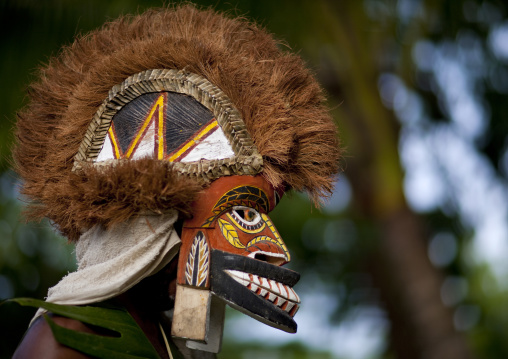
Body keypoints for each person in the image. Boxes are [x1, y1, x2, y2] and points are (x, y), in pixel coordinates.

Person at [12, 4, 340, 358]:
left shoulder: (163, 340)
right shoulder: (65, 338)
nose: (275, 252)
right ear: (152, 225)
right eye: (242, 216)